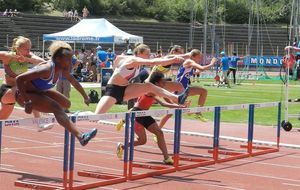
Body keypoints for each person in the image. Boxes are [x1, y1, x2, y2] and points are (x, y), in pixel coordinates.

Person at [15, 41, 97, 146]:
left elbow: (74, 82)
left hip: (38, 92)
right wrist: (27, 101)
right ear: (58, 59)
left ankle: (62, 117)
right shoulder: (46, 69)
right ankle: (81, 136)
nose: (71, 63)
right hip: (23, 95)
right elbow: (19, 79)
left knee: (66, 104)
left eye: (71, 60)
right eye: (68, 60)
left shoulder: (62, 69)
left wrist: (85, 97)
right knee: (56, 107)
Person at [94, 43, 189, 114]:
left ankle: (177, 98)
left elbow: (118, 57)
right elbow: (153, 62)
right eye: (147, 54)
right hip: (113, 90)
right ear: (139, 53)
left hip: (126, 89)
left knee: (148, 86)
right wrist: (173, 60)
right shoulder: (133, 60)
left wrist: (115, 67)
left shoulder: (130, 58)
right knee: (96, 117)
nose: (149, 56)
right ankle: (79, 115)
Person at [116, 72, 188, 165]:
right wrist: (179, 106)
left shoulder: (155, 90)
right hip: (137, 114)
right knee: (142, 141)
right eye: (162, 82)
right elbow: (163, 104)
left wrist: (179, 105)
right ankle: (122, 146)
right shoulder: (151, 90)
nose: (164, 84)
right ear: (157, 83)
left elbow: (166, 101)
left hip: (145, 114)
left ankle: (166, 158)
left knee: (159, 133)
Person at [0, 36, 54, 131]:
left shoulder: (28, 56)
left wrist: (26, 59)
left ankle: (39, 122)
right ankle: (39, 123)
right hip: (7, 91)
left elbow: (44, 63)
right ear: (18, 48)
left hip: (17, 91)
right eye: (26, 48)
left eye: (30, 48)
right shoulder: (8, 57)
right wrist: (14, 57)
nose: (29, 51)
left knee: (2, 118)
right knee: (30, 91)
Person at [158, 49, 216, 129]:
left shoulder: (191, 64)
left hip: (185, 88)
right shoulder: (189, 61)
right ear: (193, 57)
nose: (200, 59)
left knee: (203, 91)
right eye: (199, 58)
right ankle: (158, 130)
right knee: (171, 112)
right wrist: (212, 63)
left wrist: (198, 71)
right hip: (178, 89)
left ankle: (198, 113)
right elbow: (202, 68)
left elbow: (196, 72)